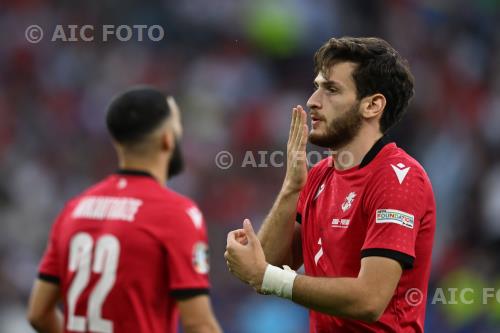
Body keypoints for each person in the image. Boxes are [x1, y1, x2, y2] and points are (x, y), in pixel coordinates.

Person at [225, 37, 435, 332]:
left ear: (372, 105)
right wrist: (291, 187)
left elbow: (370, 300)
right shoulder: (320, 175)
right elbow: (268, 265)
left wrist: (267, 277)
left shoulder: (398, 178)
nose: (313, 101)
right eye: (317, 87)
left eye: (331, 90)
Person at [27, 87, 222, 333]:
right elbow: (199, 324)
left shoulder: (74, 210)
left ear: (117, 141)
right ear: (167, 138)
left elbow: (38, 314)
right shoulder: (176, 213)